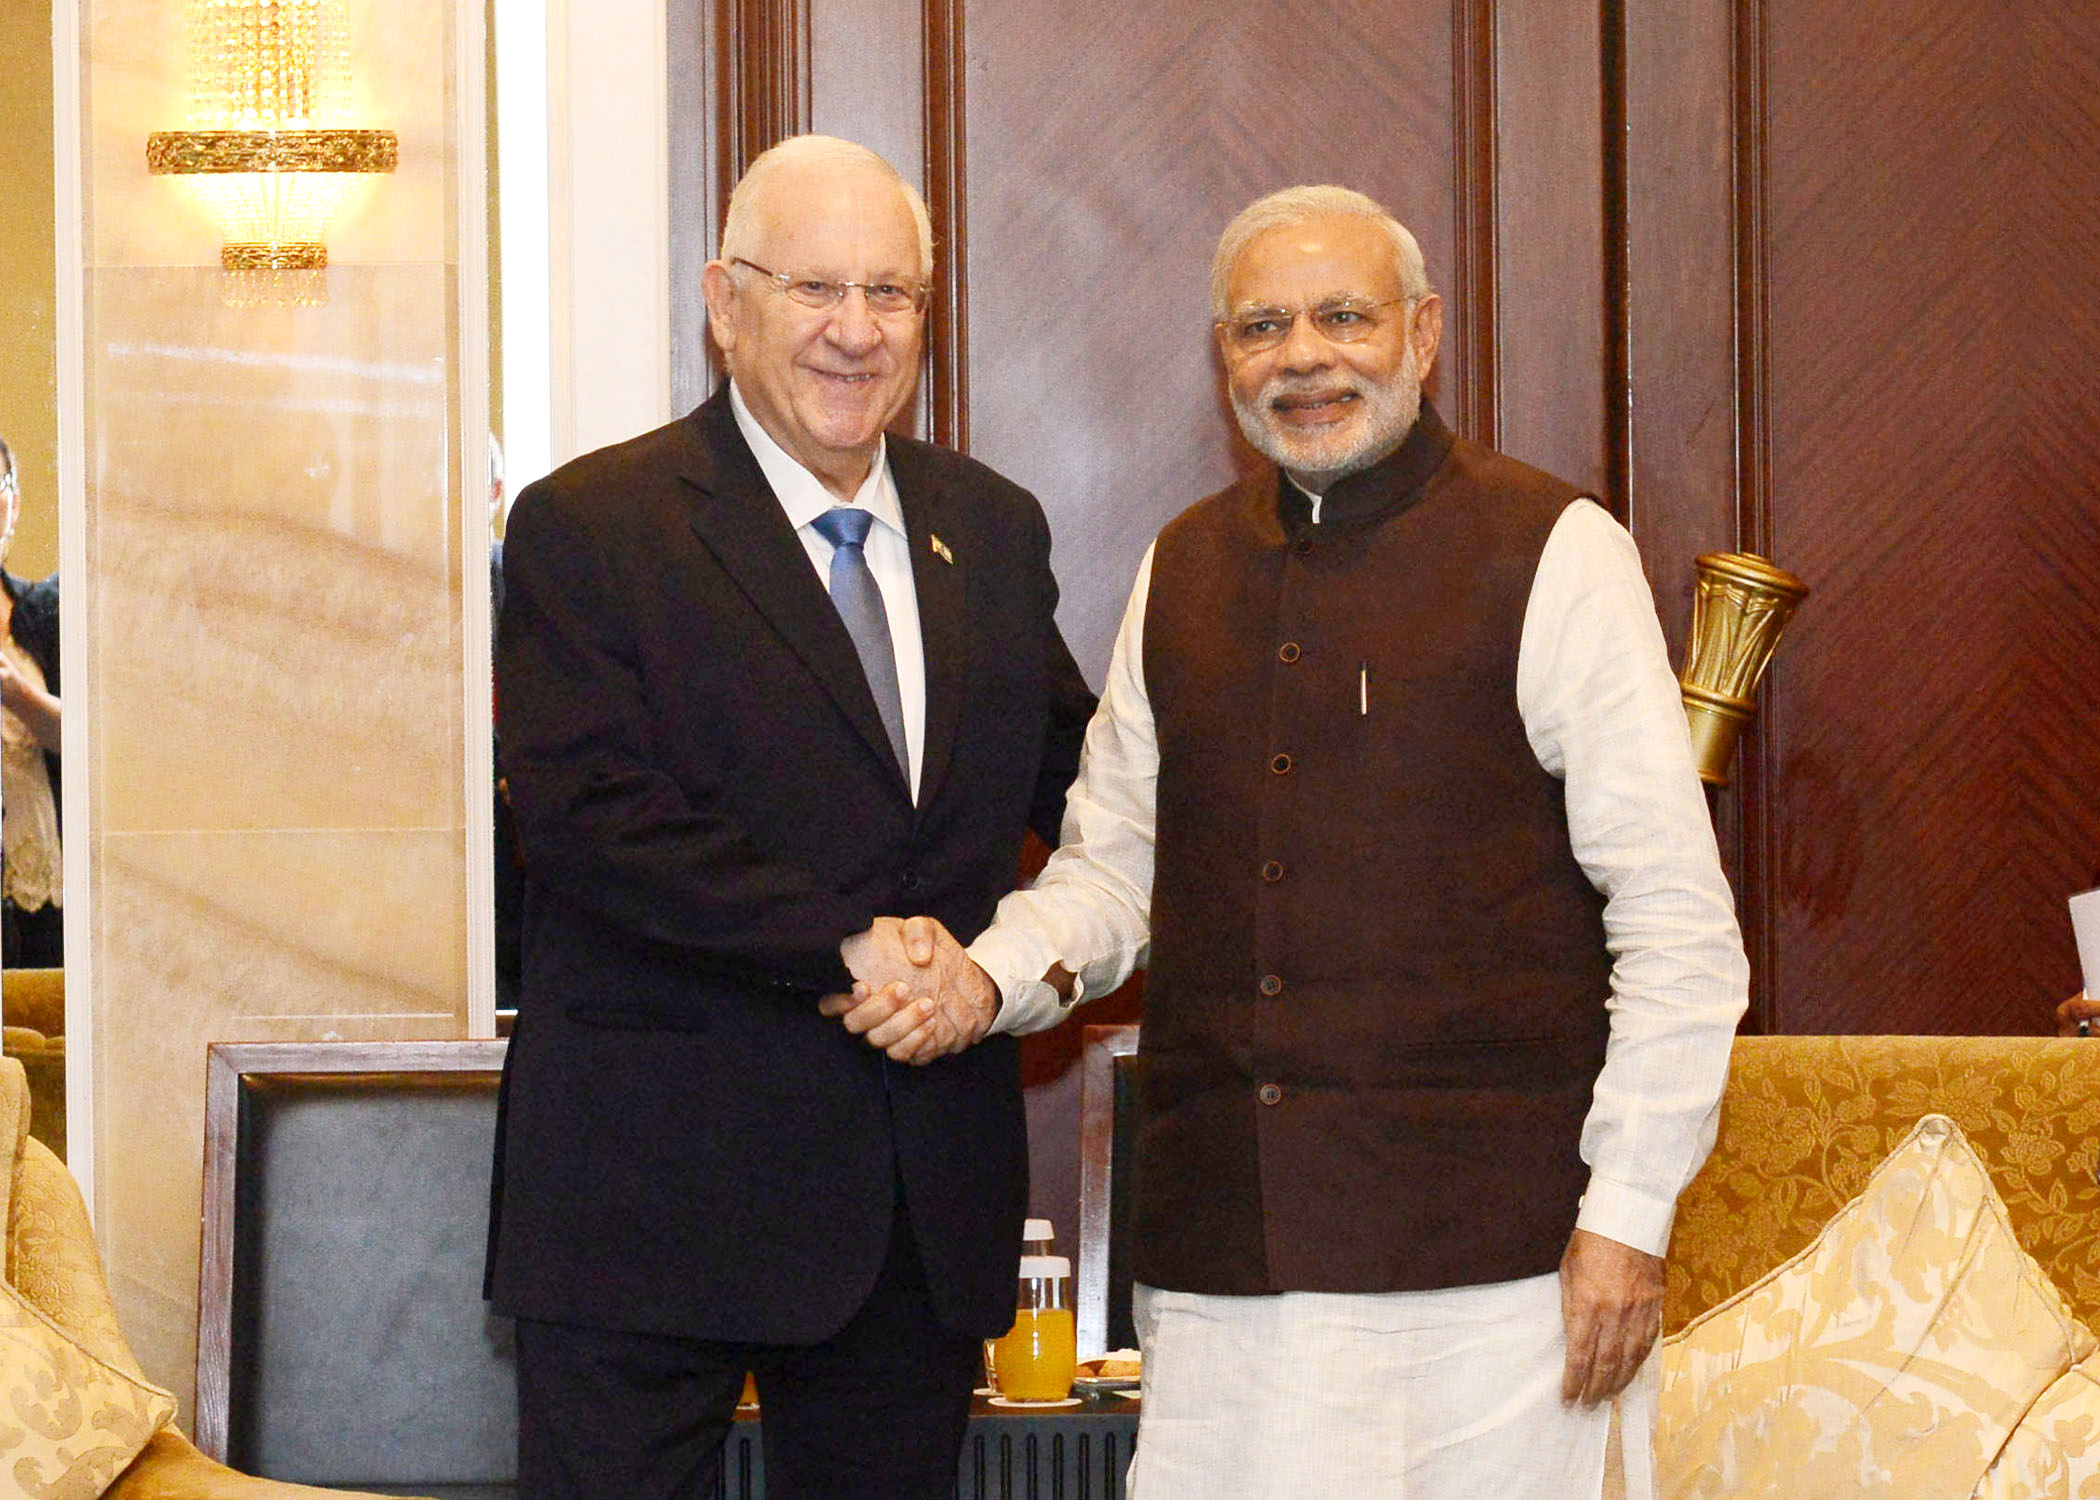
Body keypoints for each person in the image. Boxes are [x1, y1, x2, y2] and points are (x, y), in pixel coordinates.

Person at [835, 186, 1750, 1499]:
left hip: (1497, 1281)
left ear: (1425, 335)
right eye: (1262, 326)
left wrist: (1627, 1218)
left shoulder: (1557, 552)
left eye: (1343, 316)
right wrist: (984, 976)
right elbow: (1112, 866)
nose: (1302, 355)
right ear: (1226, 362)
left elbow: (1677, 926)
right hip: (1227, 1283)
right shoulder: (1183, 566)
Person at [484, 135, 1094, 1499]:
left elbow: (1087, 783)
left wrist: (997, 974)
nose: (856, 331)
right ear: (723, 302)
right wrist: (854, 948)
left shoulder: (990, 530)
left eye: (894, 294)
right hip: (652, 1191)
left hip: (909, 1194)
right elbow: (590, 817)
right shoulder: (595, 523)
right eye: (816, 287)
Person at [0, 436, 62, 969]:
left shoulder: (46, 612)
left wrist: (16, 693)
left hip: (40, 895)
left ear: (14, 504)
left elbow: (90, 738)